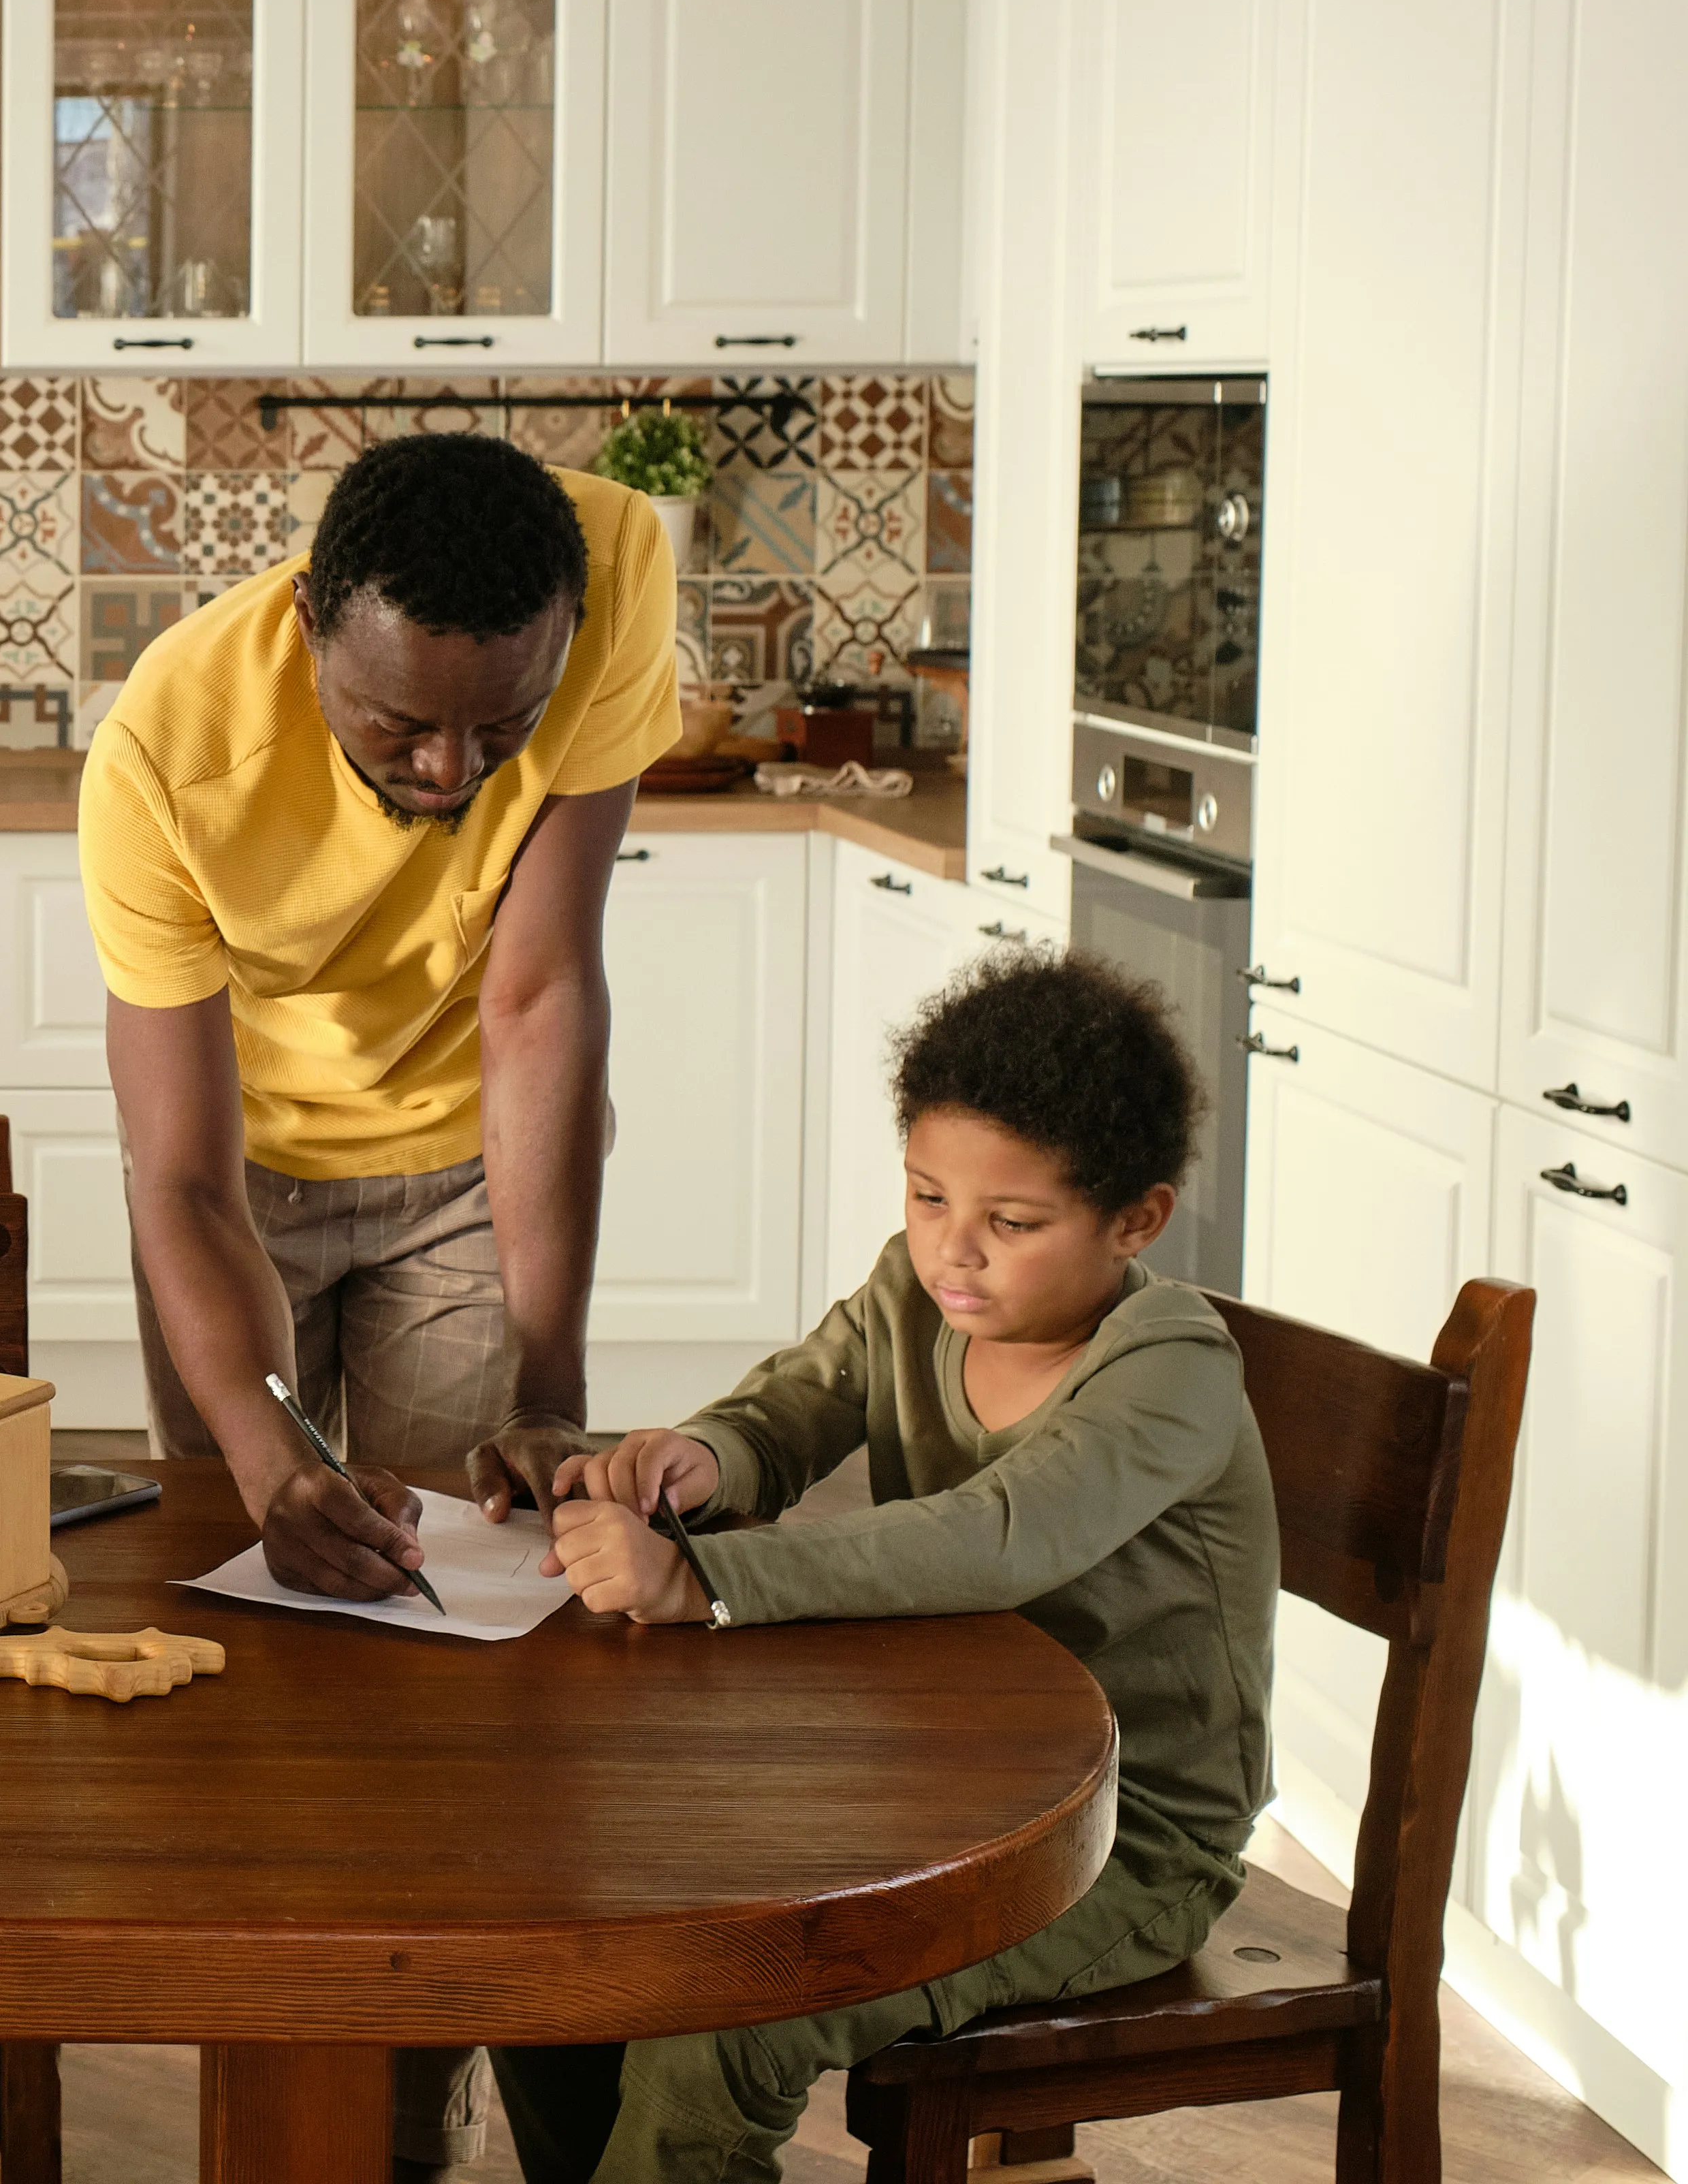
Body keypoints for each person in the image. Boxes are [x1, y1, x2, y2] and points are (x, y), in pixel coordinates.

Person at [84, 430, 675, 2175]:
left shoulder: (613, 566)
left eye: (499, 728)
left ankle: (414, 2114)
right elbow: (177, 1181)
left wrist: (548, 1381)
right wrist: (262, 1443)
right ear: (309, 626)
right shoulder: (167, 752)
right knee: (257, 1628)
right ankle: (278, 2097)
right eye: (397, 729)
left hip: (463, 1165)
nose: (451, 769)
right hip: (238, 1180)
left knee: (463, 1665)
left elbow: (542, 994)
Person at [498, 947, 1275, 2184]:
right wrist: (694, 1460)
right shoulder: (911, 1300)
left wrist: (704, 1584)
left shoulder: (1171, 1365)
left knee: (729, 2023)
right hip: (932, 1792)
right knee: (559, 1937)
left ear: (1137, 1220)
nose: (951, 1253)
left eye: (1010, 1224)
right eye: (926, 1199)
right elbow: (792, 1409)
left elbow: (999, 1535)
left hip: (1118, 1846)